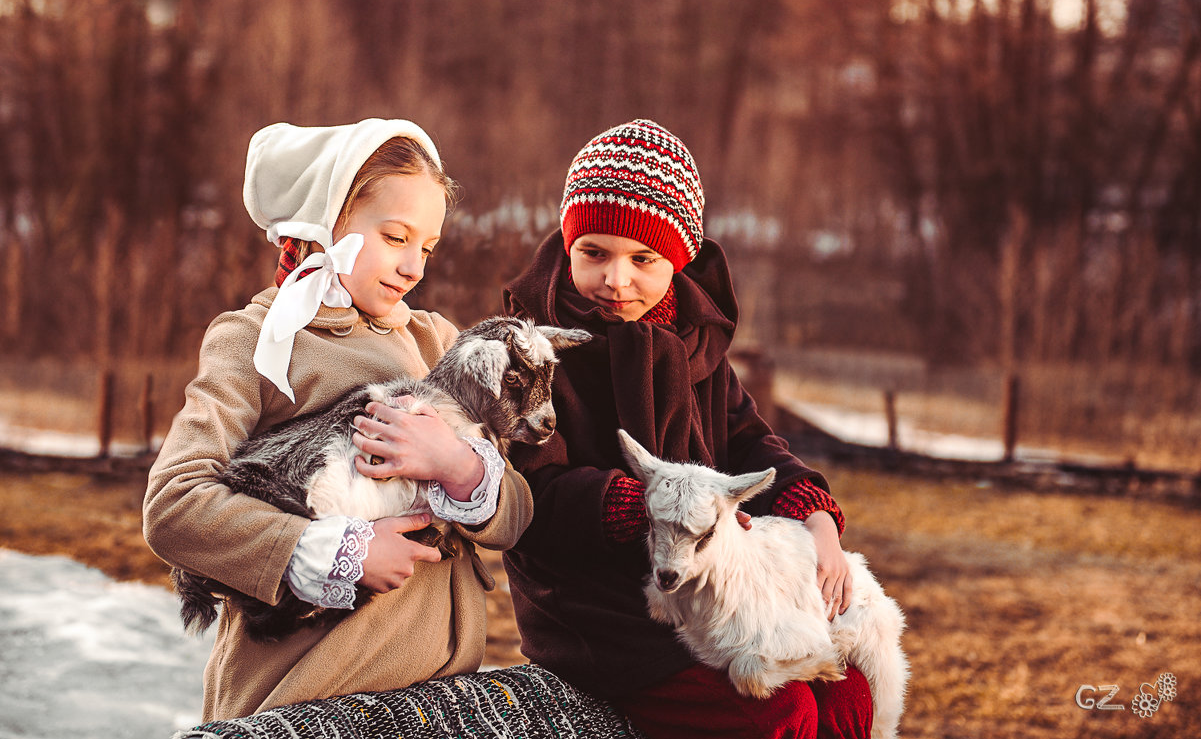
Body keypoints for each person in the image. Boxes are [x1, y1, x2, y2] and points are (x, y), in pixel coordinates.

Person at [143, 118, 533, 721]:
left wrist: (458, 467)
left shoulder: (439, 344)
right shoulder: (260, 339)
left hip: (433, 703)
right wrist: (338, 550)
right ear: (327, 222)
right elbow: (174, 506)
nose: (414, 268)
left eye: (427, 247)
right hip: (301, 698)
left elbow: (512, 517)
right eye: (395, 237)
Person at [502, 119, 874, 739]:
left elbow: (751, 440)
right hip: (602, 609)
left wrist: (812, 514)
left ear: (677, 261)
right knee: (773, 715)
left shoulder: (696, 343)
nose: (616, 280)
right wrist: (653, 509)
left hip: (718, 586)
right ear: (568, 245)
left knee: (847, 692)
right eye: (594, 253)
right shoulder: (534, 351)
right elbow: (534, 488)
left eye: (643, 259)